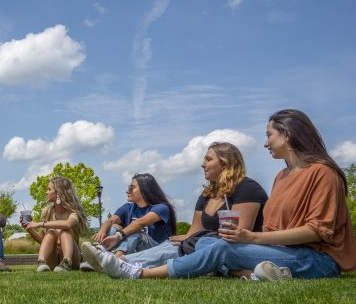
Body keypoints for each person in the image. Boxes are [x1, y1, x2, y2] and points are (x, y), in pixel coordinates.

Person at [83, 109, 356, 280]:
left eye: (269, 135)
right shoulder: (281, 176)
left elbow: (316, 231)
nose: (265, 142)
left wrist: (252, 238)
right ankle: (255, 274)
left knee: (220, 247)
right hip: (283, 252)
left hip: (318, 259)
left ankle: (138, 272)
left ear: (288, 135)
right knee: (205, 245)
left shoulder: (323, 173)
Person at [82, 142, 268, 275]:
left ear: (225, 163)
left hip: (232, 248)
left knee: (180, 246)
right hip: (204, 243)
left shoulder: (246, 188)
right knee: (175, 244)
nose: (203, 164)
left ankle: (119, 262)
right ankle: (115, 261)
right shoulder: (207, 195)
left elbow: (240, 234)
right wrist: (186, 239)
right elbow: (195, 232)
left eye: (208, 159)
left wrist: (191, 241)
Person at [22, 176, 88, 272]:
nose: (46, 192)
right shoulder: (46, 211)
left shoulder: (73, 212)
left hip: (72, 258)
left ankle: (66, 262)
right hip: (52, 258)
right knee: (51, 232)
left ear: (58, 193)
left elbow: (68, 224)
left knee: (65, 231)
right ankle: (41, 262)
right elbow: (43, 240)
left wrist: (41, 224)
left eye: (49, 189)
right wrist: (30, 228)